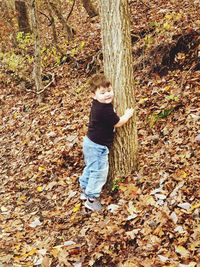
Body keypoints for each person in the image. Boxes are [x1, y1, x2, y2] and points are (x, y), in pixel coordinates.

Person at [79, 73, 134, 211]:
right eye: (102, 93)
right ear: (94, 95)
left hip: (90, 142)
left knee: (91, 167)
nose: (107, 95)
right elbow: (118, 123)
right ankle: (91, 199)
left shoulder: (98, 104)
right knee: (99, 171)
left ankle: (84, 188)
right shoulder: (104, 109)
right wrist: (127, 115)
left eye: (109, 91)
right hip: (97, 146)